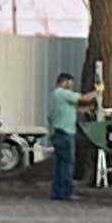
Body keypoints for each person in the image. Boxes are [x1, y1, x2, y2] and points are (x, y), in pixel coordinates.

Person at [49, 65, 81, 203]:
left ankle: (57, 191)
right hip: (65, 133)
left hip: (57, 132)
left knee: (60, 164)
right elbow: (82, 98)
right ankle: (66, 192)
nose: (72, 86)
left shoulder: (55, 96)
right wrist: (97, 91)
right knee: (67, 164)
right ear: (65, 81)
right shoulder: (62, 93)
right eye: (71, 83)